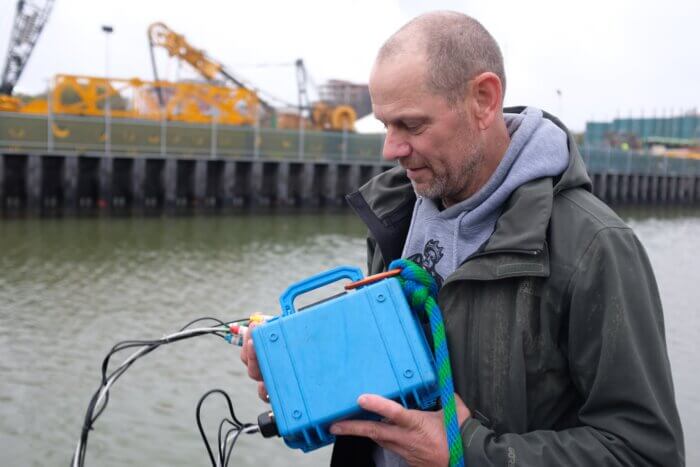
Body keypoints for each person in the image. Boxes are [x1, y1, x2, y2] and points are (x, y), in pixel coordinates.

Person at [241, 11, 685, 466]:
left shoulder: (594, 246)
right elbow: (392, 375)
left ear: (484, 100)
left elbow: (644, 453)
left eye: (411, 125)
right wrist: (302, 369)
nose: (390, 150)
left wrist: (467, 451)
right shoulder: (398, 212)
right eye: (385, 124)